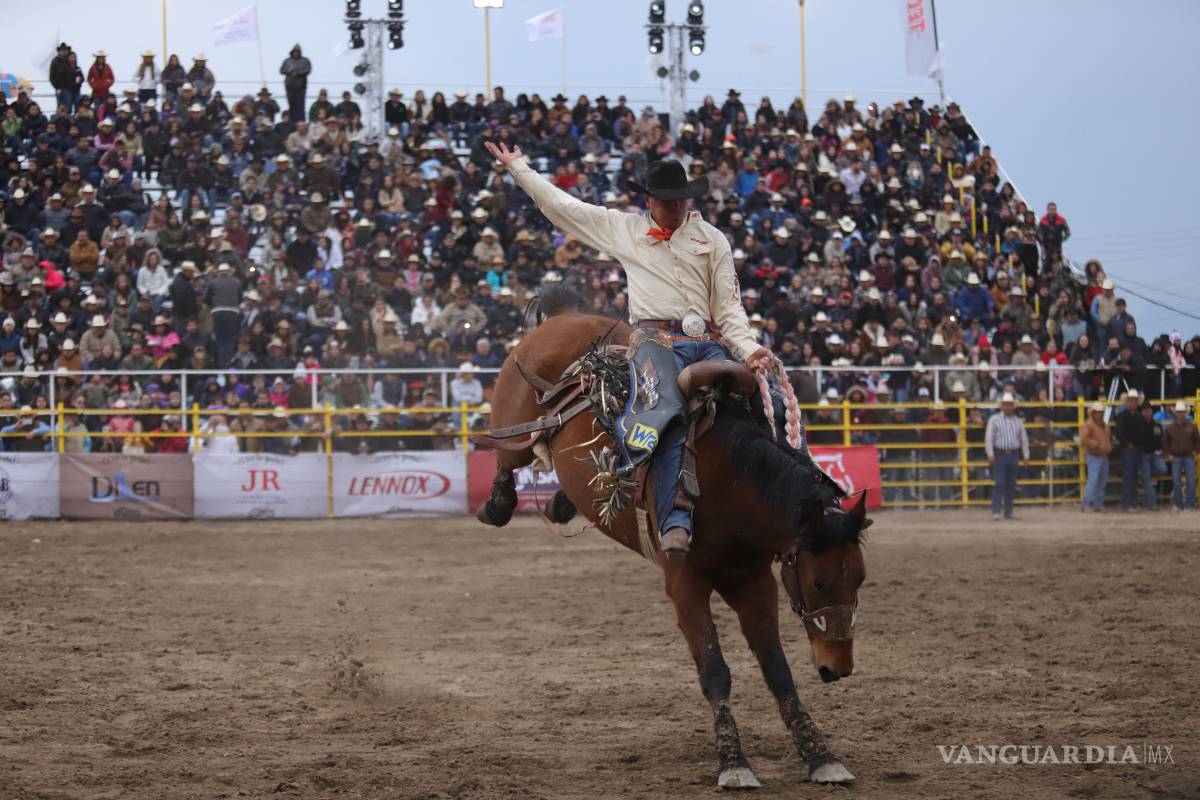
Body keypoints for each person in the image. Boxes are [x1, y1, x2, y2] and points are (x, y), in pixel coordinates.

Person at [485, 140, 772, 554]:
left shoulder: (713, 239)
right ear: (650, 200)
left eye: (682, 201)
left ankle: (799, 493)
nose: (677, 209)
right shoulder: (625, 229)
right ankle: (672, 517)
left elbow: (729, 307)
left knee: (766, 400)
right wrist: (519, 168)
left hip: (707, 341)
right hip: (654, 341)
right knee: (666, 410)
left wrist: (749, 351)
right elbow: (564, 208)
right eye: (669, 202)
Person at [984, 392, 1029, 521]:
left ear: (1013, 406)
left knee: (1011, 484)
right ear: (1002, 406)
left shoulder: (1018, 422)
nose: (1008, 407)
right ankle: (997, 511)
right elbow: (989, 438)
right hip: (1000, 453)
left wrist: (1026, 455)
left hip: (1013, 453)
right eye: (1006, 404)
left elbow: (1023, 439)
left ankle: (1008, 511)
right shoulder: (994, 419)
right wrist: (990, 453)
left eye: (1010, 404)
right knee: (1000, 483)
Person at [1114, 389, 1156, 512]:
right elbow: (1119, 434)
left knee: (1134, 478)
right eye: (1131, 400)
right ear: (1127, 402)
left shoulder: (1139, 417)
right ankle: (1128, 503)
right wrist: (1127, 444)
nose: (1133, 403)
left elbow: (1144, 434)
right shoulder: (1122, 417)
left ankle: (1132, 502)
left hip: (1139, 450)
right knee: (1129, 477)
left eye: (1134, 401)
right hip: (1129, 451)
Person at [1163, 401, 1198, 512]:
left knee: (1190, 481)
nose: (1180, 414)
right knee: (1176, 480)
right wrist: (1168, 454)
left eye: (1182, 412)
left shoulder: (1192, 426)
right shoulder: (1170, 428)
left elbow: (1197, 441)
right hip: (1176, 456)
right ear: (1176, 413)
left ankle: (1189, 504)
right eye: (1179, 412)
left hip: (1188, 456)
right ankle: (1178, 504)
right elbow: (1165, 442)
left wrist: (1195, 451)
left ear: (1185, 413)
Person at [1080, 401, 1112, 512]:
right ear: (1093, 413)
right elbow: (1083, 439)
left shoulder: (1102, 425)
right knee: (1094, 481)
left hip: (1102, 455)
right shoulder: (1089, 425)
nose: (1100, 414)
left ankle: (1097, 504)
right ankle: (1086, 504)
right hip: (1095, 455)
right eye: (1098, 412)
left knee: (1101, 482)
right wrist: (1096, 445)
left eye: (1101, 412)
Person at [279, 45, 311, 124]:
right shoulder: (287, 61)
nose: (296, 53)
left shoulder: (305, 60)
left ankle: (301, 122)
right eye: (294, 51)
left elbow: (308, 70)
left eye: (297, 51)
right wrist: (288, 72)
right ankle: (292, 123)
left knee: (300, 106)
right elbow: (281, 70)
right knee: (291, 106)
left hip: (301, 87)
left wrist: (298, 73)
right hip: (290, 86)